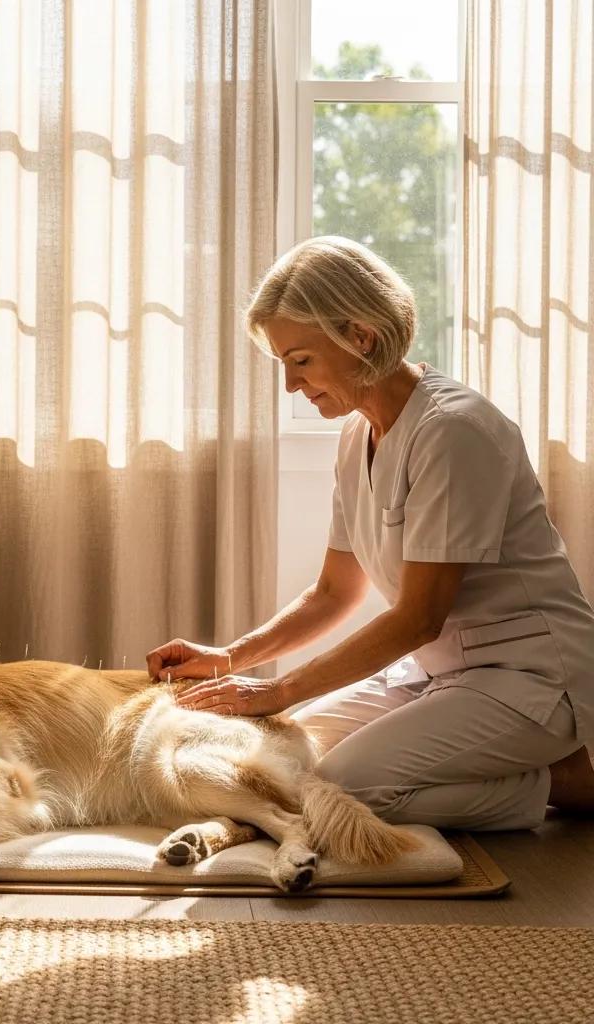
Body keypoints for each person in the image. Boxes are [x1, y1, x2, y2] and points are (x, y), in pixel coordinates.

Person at [146, 235, 594, 830]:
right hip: (435, 673)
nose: (291, 385)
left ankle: (566, 782)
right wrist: (230, 658)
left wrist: (276, 692)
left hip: (528, 676)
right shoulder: (358, 436)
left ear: (362, 336)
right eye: (284, 365)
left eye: (300, 361)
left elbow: (418, 618)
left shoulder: (454, 431)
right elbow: (335, 594)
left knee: (344, 790)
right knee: (284, 760)